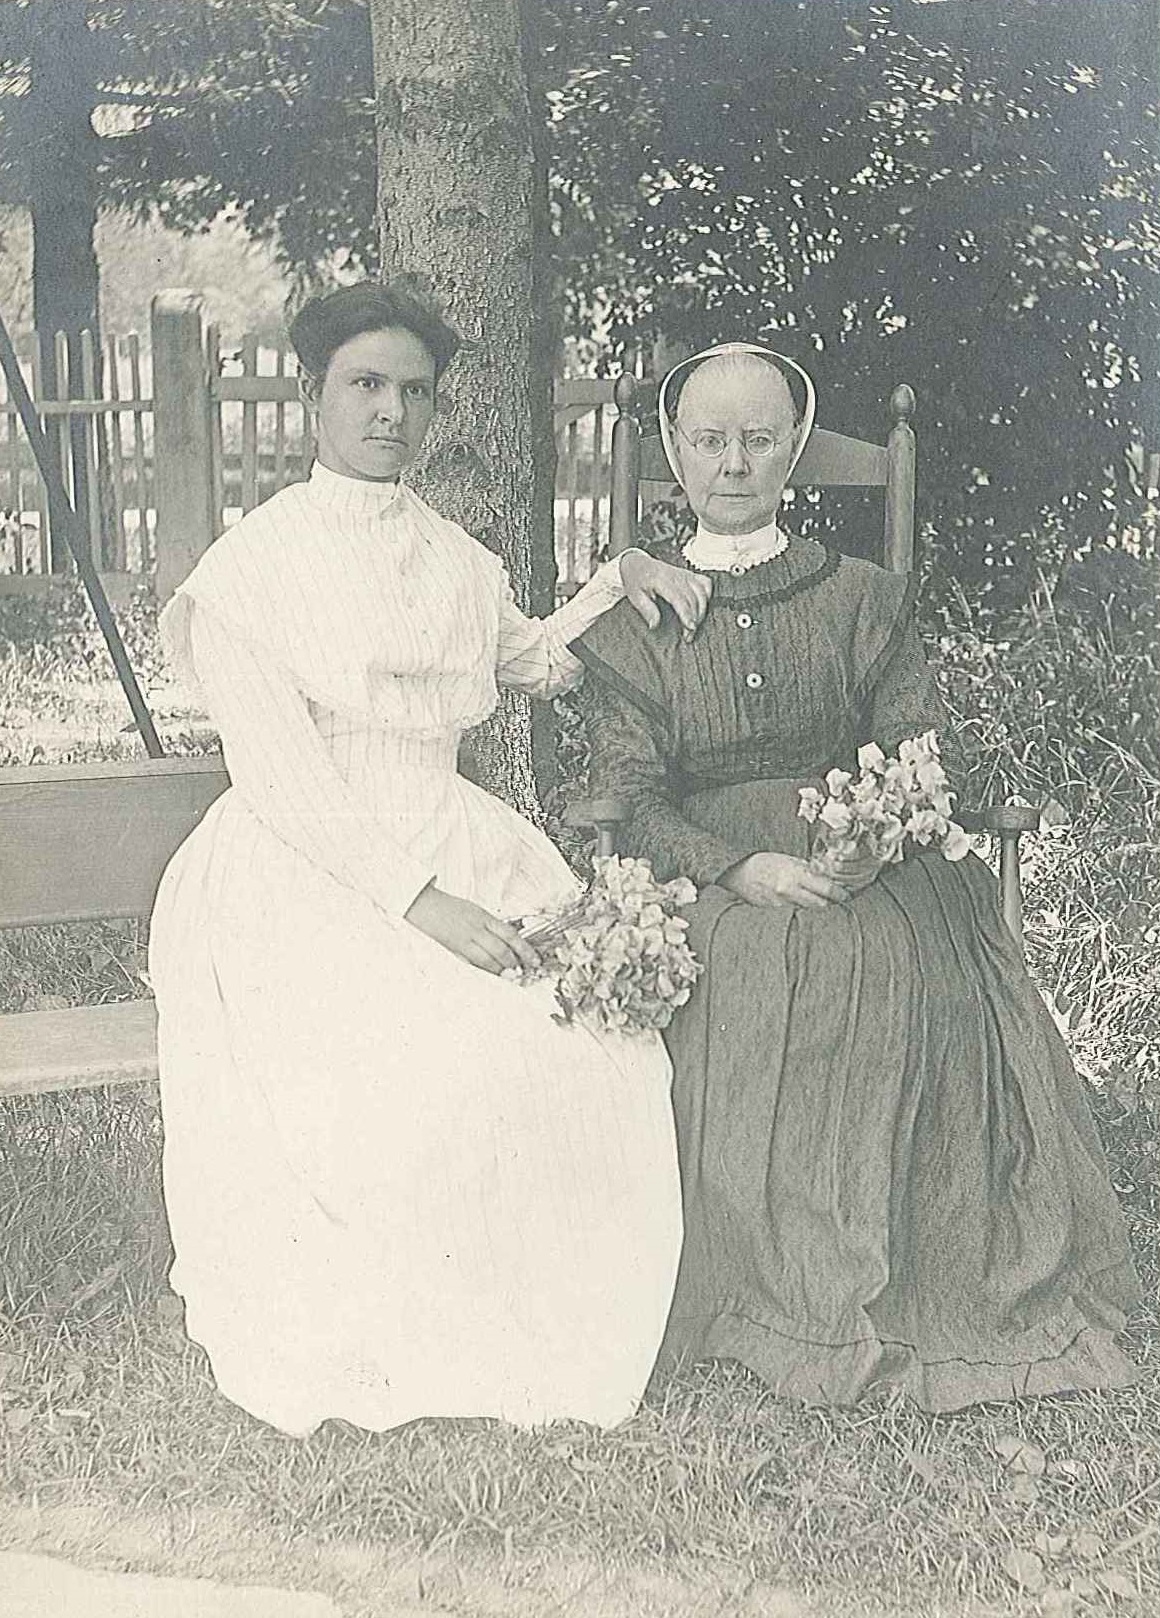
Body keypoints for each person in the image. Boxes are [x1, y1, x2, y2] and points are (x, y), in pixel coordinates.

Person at [148, 281, 713, 1436]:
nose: (391, 412)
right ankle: (423, 1331)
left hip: (449, 827)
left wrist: (620, 577)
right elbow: (288, 783)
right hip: (300, 869)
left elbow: (535, 661)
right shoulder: (250, 569)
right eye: (365, 384)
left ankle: (553, 1316)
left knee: (589, 1047)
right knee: (421, 1064)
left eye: (414, 390)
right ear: (314, 396)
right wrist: (421, 905)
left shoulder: (455, 558)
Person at [573, 342, 1141, 1412]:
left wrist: (859, 838)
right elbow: (633, 798)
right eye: (707, 441)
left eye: (756, 440)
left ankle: (895, 1264)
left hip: (859, 862)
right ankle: (757, 1285)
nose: (732, 463)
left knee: (889, 973)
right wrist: (738, 865)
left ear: (792, 450)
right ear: (671, 450)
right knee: (736, 973)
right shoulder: (640, 620)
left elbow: (912, 747)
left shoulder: (862, 600)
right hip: (712, 874)